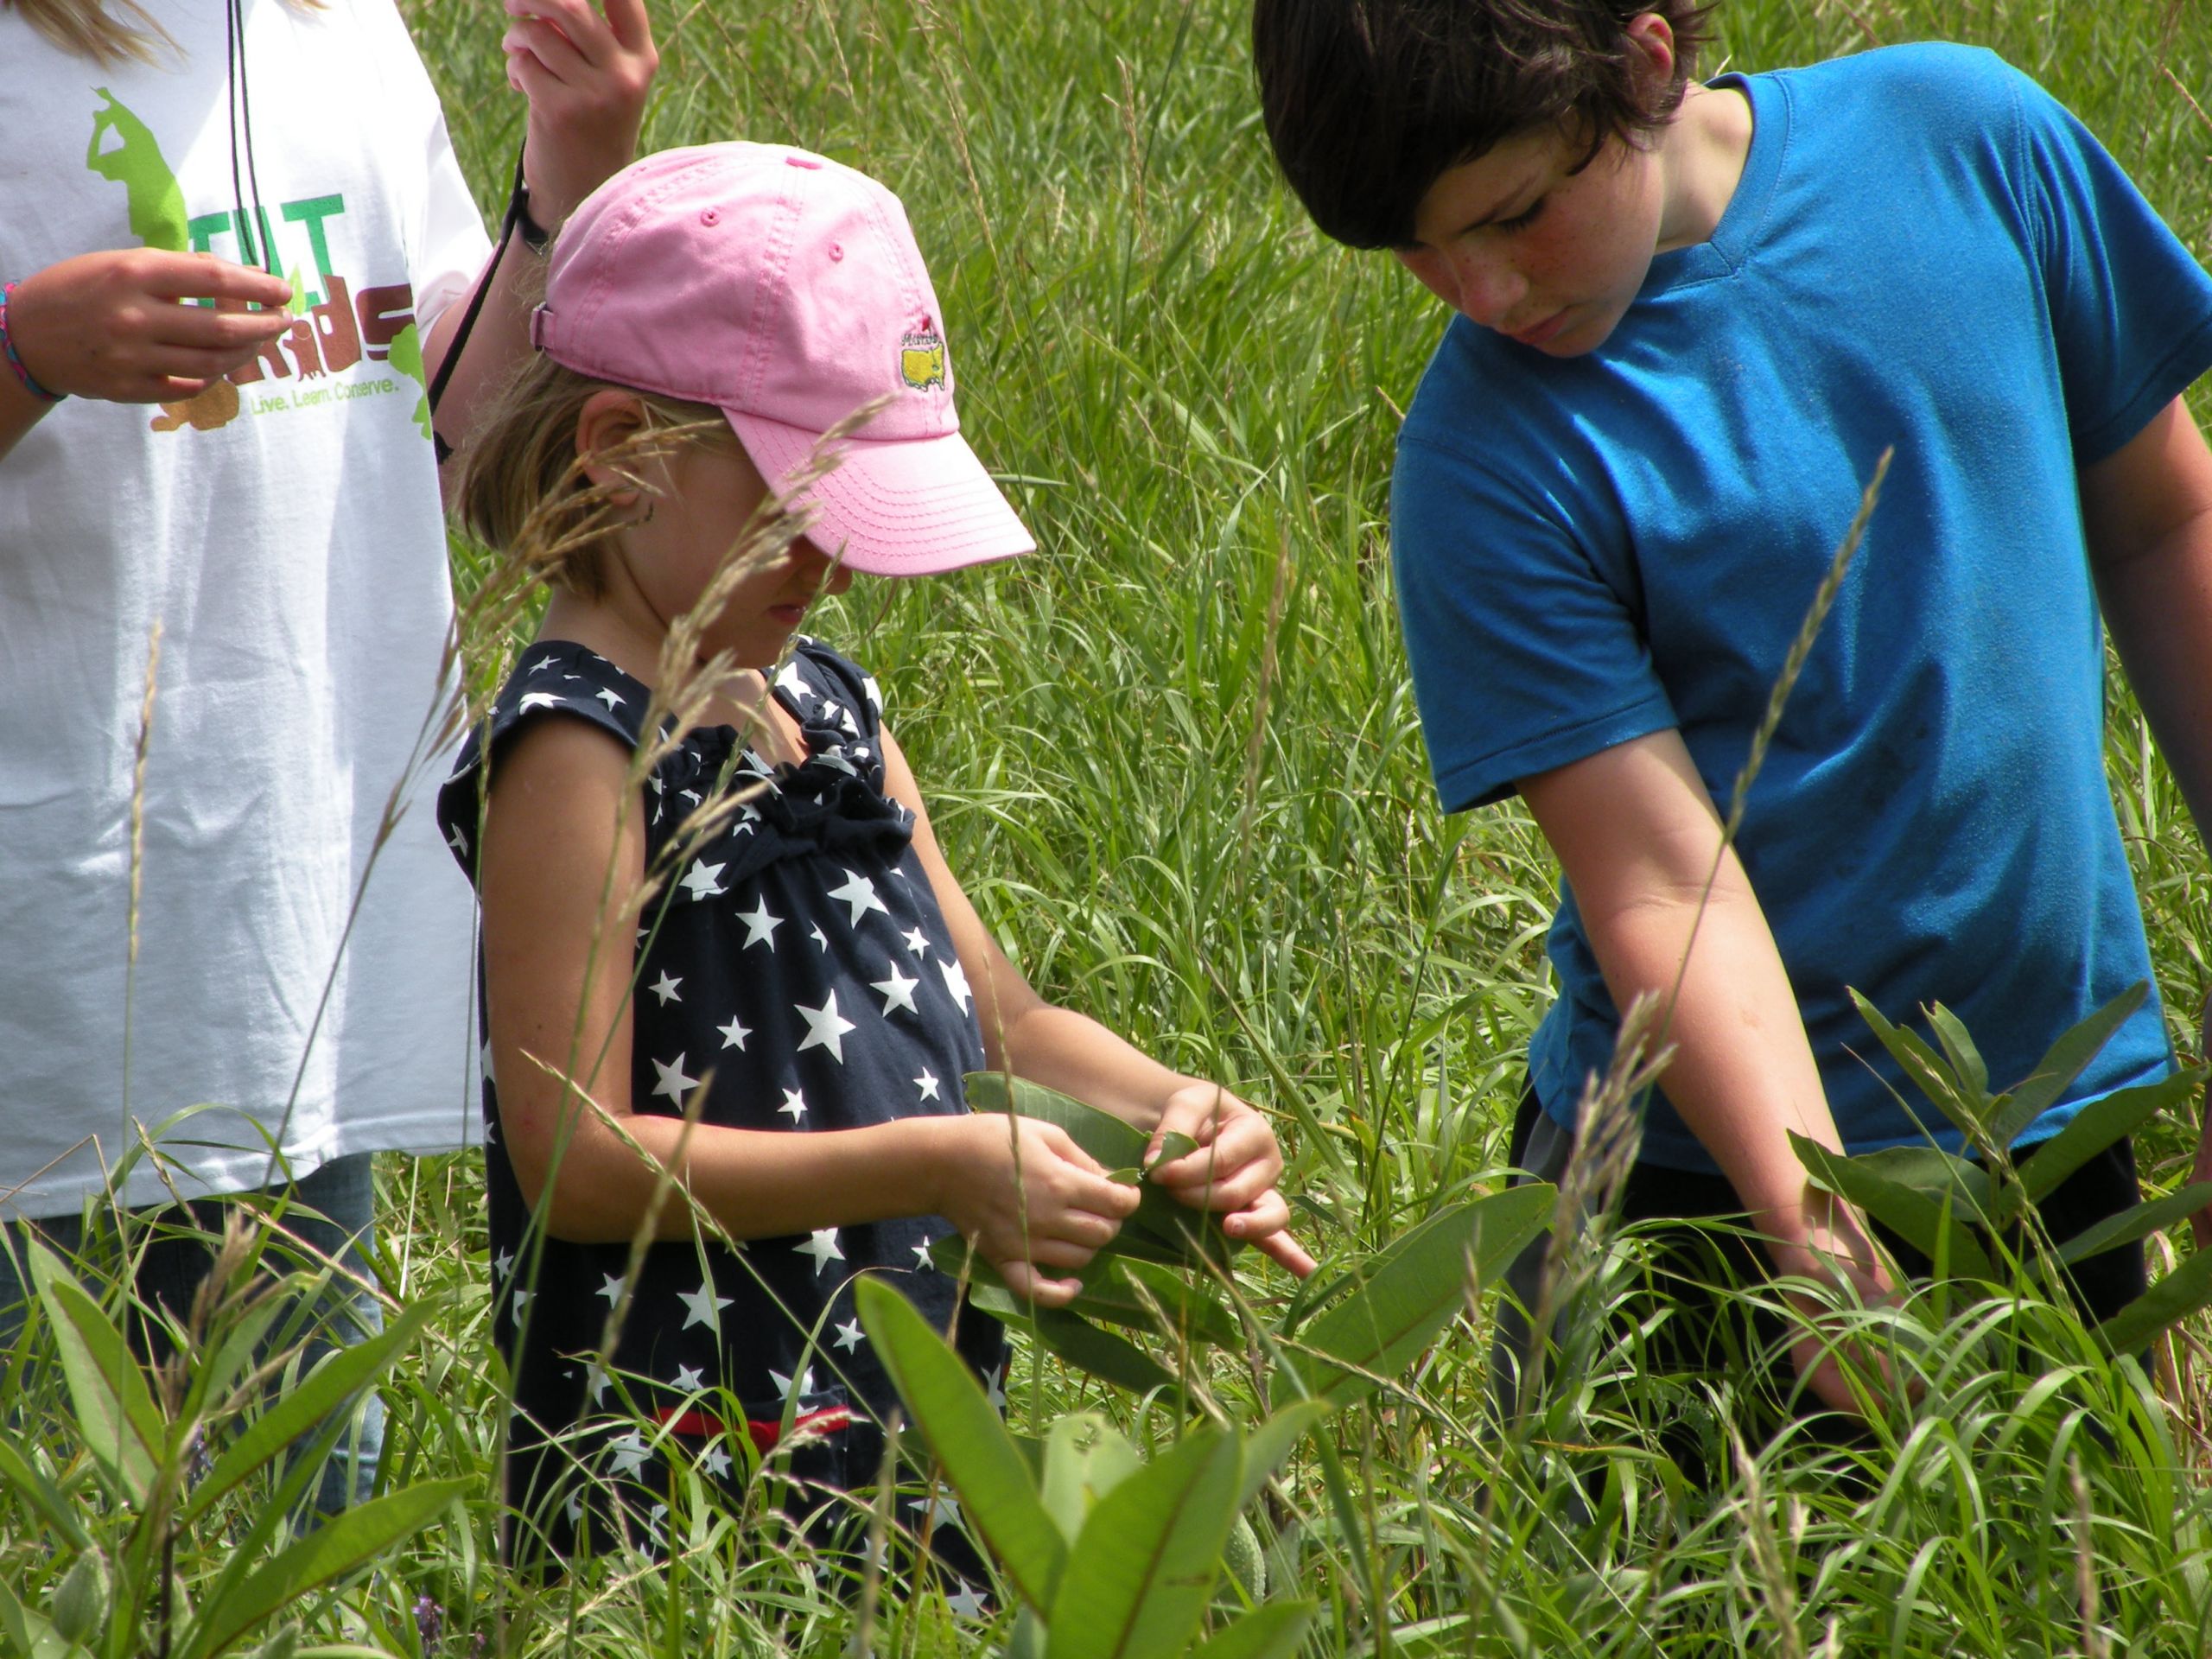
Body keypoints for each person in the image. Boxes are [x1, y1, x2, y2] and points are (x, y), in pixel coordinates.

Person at [1249, 0, 2212, 1421]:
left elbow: (2163, 521)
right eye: (1416, 251)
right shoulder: (1482, 459)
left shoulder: (1972, 141)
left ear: (1647, 61)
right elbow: (1655, 873)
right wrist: (1811, 1234)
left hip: (2061, 1118)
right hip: (1699, 1201)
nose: (1484, 294)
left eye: (1515, 214)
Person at [436, 142, 1315, 1567]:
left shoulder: (825, 704)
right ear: (615, 448)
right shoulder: (577, 748)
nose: (831, 565)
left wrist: (1169, 1106)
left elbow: (1007, 1019)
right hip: (694, 1454)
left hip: (900, 1405)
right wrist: (935, 1167)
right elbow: (577, 1160)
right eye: (796, 510)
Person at [0, 0, 655, 1507]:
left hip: (291, 936)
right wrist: (26, 351)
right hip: (40, 957)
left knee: (301, 1536)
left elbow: (473, 430)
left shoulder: (334, 25)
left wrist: (572, 161)